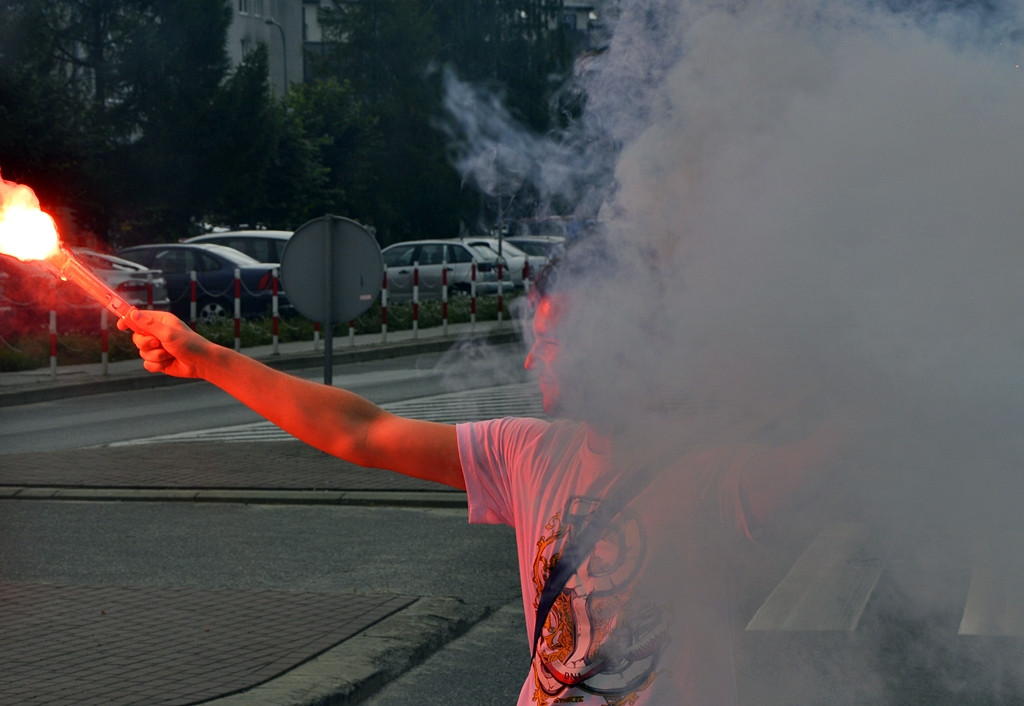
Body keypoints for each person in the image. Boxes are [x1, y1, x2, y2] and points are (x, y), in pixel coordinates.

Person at [119, 242, 845, 704]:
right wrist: (206, 357)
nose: (533, 359)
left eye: (552, 339)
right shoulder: (529, 453)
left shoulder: (713, 471)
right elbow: (359, 430)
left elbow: (843, 459)